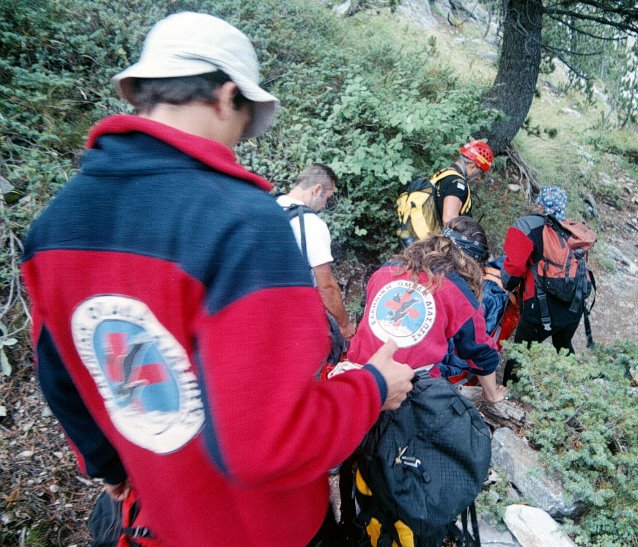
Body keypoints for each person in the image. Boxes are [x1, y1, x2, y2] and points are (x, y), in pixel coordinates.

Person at [21, 12, 413, 547]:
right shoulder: (242, 222)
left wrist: (108, 465)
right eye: (244, 120)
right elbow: (267, 446)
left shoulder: (55, 226)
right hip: (267, 530)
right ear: (228, 96)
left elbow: (57, 371)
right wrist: (371, 387)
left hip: (158, 517)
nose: (240, 139)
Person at [348, 216, 505, 402]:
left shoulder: (386, 269)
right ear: (472, 262)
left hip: (356, 374)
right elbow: (480, 352)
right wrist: (492, 395)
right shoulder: (459, 293)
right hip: (405, 388)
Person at [500, 186, 585, 385]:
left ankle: (509, 397)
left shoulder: (526, 225)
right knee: (563, 345)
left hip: (540, 309)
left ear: (539, 202)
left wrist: (507, 287)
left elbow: (513, 267)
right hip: (575, 306)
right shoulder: (570, 230)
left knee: (520, 353)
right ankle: (576, 388)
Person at [277, 164, 357, 340]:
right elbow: (326, 286)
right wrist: (344, 325)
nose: (324, 205)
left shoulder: (269, 206)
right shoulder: (311, 224)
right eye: (327, 198)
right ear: (317, 189)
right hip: (293, 314)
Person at [436, 140, 494, 224]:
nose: (478, 178)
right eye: (480, 173)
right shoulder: (458, 184)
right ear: (472, 166)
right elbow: (449, 220)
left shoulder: (445, 173)